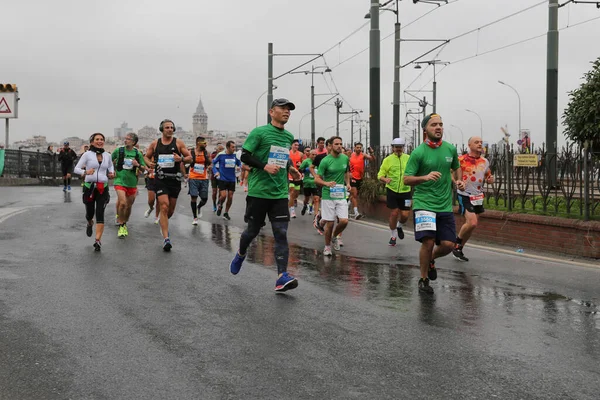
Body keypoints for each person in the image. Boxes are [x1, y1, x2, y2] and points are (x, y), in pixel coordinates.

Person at [229, 98, 300, 292]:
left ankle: (281, 277)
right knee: (252, 231)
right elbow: (244, 156)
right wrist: (264, 166)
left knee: (281, 233)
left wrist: (291, 169)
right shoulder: (259, 132)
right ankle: (241, 253)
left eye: (289, 110)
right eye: (283, 108)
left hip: (279, 193)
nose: (287, 112)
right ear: (271, 112)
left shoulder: (288, 136)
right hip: (259, 192)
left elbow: (281, 158)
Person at [403, 113, 465, 294]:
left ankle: (431, 260)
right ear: (425, 130)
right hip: (424, 204)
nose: (438, 128)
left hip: (444, 204)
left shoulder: (450, 149)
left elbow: (456, 167)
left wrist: (458, 181)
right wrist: (425, 177)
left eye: (441, 124)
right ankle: (423, 279)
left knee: (448, 245)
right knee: (428, 242)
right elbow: (406, 179)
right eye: (434, 125)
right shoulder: (418, 152)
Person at [143, 119, 191, 251]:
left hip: (174, 179)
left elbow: (189, 157)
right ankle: (166, 238)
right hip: (161, 179)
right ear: (162, 130)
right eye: (167, 127)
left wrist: (180, 159)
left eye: (172, 127)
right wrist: (149, 163)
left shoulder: (179, 143)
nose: (170, 129)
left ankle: (164, 225)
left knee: (169, 211)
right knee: (164, 206)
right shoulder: (155, 143)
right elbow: (146, 157)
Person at [453, 136, 494, 262]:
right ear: (469, 145)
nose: (479, 144)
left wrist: (490, 180)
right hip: (465, 194)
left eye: (481, 142)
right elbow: (451, 174)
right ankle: (457, 242)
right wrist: (457, 182)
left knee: (473, 225)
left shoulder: (484, 161)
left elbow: (488, 175)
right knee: (472, 222)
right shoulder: (461, 159)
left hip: (478, 196)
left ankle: (459, 248)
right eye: (476, 142)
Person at [73, 133, 115, 251]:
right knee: (90, 213)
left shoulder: (107, 155)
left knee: (100, 212)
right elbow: (76, 169)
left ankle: (98, 240)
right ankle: (89, 222)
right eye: (97, 139)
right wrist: (85, 172)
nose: (100, 141)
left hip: (103, 187)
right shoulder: (87, 155)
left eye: (102, 139)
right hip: (89, 187)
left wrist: (112, 173)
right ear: (92, 142)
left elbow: (111, 167)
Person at [314, 136, 351, 256]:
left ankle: (334, 236)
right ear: (330, 146)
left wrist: (348, 183)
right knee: (330, 223)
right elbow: (317, 179)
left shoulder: (345, 158)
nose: (339, 146)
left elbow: (346, 172)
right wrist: (326, 183)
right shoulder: (325, 161)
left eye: (341, 144)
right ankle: (327, 246)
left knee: (344, 221)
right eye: (336, 144)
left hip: (340, 193)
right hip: (328, 195)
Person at [378, 137, 412, 246]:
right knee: (394, 213)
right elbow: (380, 175)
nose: (398, 149)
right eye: (396, 147)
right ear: (392, 148)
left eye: (400, 147)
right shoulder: (387, 160)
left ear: (403, 148)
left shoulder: (409, 158)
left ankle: (399, 226)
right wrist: (385, 179)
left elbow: (415, 170)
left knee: (405, 215)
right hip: (392, 190)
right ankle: (393, 236)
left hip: (406, 190)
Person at [111, 132, 146, 238]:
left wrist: (137, 165)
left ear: (134, 142)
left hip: (132, 182)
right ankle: (122, 225)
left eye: (128, 139)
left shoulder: (137, 153)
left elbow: (143, 168)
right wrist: (112, 168)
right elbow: (109, 161)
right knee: (122, 203)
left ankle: (124, 221)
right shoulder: (119, 150)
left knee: (128, 206)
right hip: (119, 180)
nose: (126, 140)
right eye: (125, 138)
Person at [212, 140, 241, 220]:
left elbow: (239, 163)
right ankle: (220, 205)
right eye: (232, 147)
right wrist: (216, 172)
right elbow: (212, 163)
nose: (234, 149)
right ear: (228, 147)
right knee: (223, 196)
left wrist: (240, 167)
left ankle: (226, 213)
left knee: (230, 197)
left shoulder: (235, 155)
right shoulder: (221, 155)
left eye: (235, 147)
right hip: (223, 178)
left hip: (232, 179)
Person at [309, 138, 333, 233]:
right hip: (322, 182)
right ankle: (319, 218)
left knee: (330, 203)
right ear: (327, 147)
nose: (332, 147)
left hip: (333, 184)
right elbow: (311, 167)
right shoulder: (320, 157)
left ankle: (320, 217)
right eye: (330, 145)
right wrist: (316, 177)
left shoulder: (339, 158)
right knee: (321, 200)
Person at [188, 136, 211, 225]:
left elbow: (210, 163)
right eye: (204, 143)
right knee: (194, 197)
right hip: (193, 177)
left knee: (204, 199)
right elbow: (185, 161)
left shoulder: (206, 153)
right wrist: (185, 173)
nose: (206, 145)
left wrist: (209, 166)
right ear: (198, 143)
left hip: (204, 178)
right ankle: (195, 217)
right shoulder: (191, 152)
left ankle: (199, 206)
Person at [349, 142, 375, 219]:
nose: (359, 149)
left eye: (360, 147)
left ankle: (346, 205)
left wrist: (372, 152)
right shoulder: (350, 155)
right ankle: (356, 212)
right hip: (352, 177)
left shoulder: (363, 155)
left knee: (356, 195)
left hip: (360, 178)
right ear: (354, 148)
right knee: (354, 195)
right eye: (357, 147)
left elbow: (372, 159)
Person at [299, 149, 317, 216]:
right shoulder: (306, 161)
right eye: (313, 154)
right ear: (309, 155)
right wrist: (305, 170)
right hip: (307, 182)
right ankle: (305, 205)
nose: (314, 156)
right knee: (307, 197)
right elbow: (300, 170)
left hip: (315, 182)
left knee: (316, 198)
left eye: (315, 155)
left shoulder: (318, 162)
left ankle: (312, 208)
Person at [288, 139, 304, 218]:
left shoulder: (301, 154)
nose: (296, 147)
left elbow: (303, 165)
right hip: (289, 175)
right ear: (291, 145)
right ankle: (292, 210)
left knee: (296, 193)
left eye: (298, 145)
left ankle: (293, 200)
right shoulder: (287, 153)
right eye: (295, 145)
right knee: (292, 191)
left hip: (298, 176)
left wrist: (301, 164)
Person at [143, 155, 160, 224]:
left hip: (160, 179)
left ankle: (157, 216)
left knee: (159, 200)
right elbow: (143, 160)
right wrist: (147, 168)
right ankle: (151, 208)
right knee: (151, 200)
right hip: (151, 179)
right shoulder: (150, 154)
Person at [210, 143, 225, 212]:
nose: (221, 150)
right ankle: (213, 204)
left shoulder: (225, 156)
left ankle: (219, 202)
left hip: (222, 176)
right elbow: (211, 164)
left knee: (220, 191)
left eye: (222, 149)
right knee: (214, 192)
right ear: (217, 150)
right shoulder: (213, 156)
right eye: (220, 149)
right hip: (214, 175)